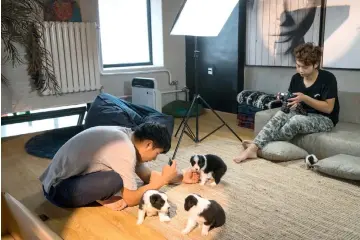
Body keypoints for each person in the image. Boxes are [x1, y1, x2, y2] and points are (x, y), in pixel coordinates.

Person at [40, 122, 200, 211]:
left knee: (121, 177)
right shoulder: (125, 149)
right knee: (116, 180)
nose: (155, 158)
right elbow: (130, 200)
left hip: (58, 180)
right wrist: (163, 180)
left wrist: (180, 177)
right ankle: (101, 198)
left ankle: (99, 196)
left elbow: (145, 176)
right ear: (149, 144)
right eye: (157, 153)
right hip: (58, 191)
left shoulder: (127, 135)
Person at [233, 42, 339, 163]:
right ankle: (253, 148)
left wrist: (304, 98)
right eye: (298, 66)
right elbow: (291, 101)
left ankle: (258, 145)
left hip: (325, 118)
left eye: (305, 67)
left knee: (296, 121)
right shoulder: (296, 78)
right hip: (302, 112)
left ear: (316, 64)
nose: (300, 70)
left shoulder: (328, 78)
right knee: (280, 115)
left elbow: (329, 108)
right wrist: (291, 104)